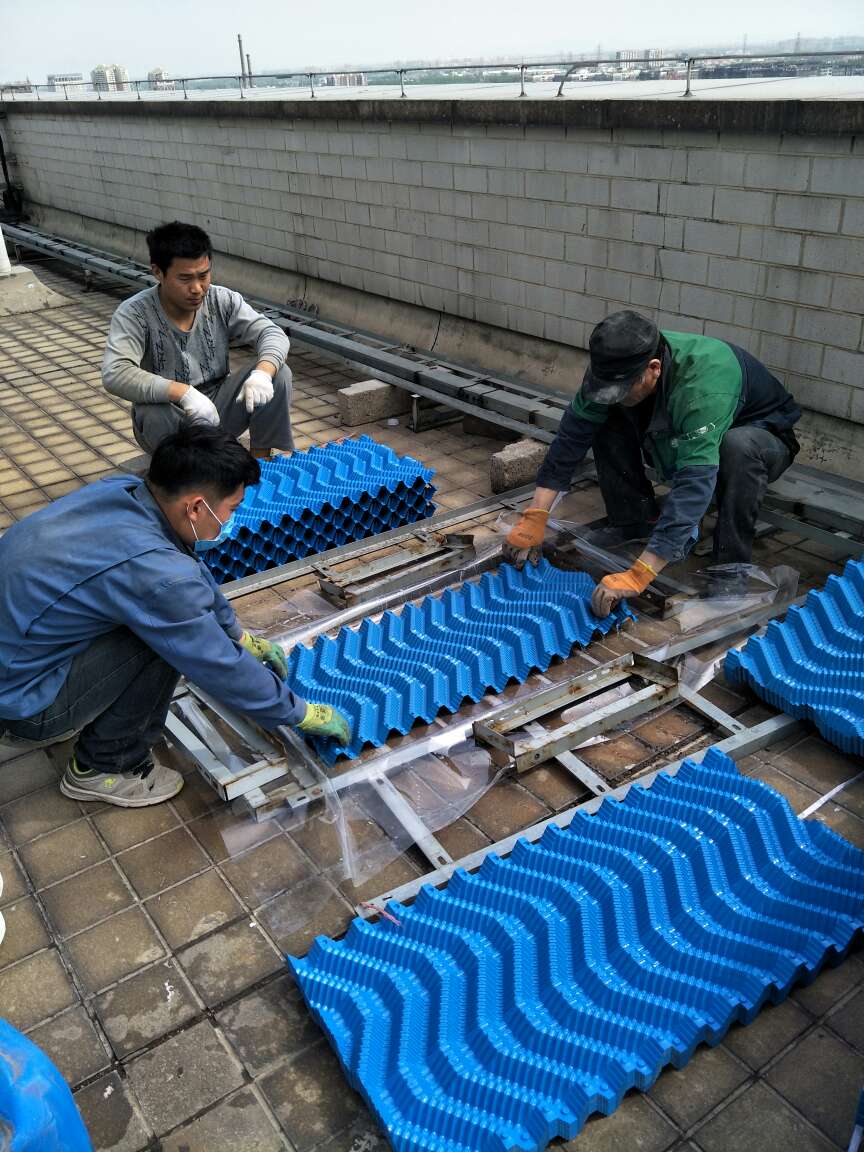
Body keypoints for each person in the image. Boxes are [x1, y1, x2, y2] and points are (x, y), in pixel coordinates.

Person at [0, 425, 350, 808]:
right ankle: (103, 767)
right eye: (232, 509)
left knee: (160, 618)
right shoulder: (154, 572)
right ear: (196, 507)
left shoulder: (122, 492)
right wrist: (300, 713)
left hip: (19, 659)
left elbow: (188, 570)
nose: (231, 519)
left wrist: (238, 635)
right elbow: (217, 662)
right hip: (19, 705)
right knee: (161, 641)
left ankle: (74, 705)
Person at [504, 310, 801, 617]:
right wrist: (535, 515)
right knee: (606, 415)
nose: (616, 395)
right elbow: (571, 438)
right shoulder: (614, 366)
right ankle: (634, 521)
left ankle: (730, 568)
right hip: (694, 422)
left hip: (762, 434)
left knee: (736, 448)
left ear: (654, 368)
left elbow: (694, 484)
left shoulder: (702, 388)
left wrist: (640, 574)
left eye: (623, 389)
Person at [103, 220, 294, 458]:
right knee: (151, 412)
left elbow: (271, 333)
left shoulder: (222, 300)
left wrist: (263, 374)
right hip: (172, 416)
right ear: (158, 272)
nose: (197, 288)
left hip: (219, 410)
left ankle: (260, 462)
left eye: (203, 275)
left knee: (278, 373)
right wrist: (184, 393)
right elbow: (115, 372)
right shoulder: (135, 313)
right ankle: (182, 472)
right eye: (185, 279)